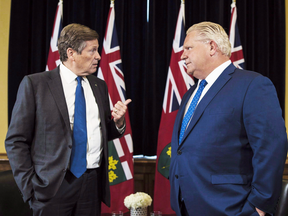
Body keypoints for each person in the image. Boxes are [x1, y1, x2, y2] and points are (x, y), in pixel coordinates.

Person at [5, 23, 131, 216]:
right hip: (51, 187)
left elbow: (100, 132)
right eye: (93, 50)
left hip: (91, 185)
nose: (98, 56)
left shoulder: (99, 86)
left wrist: (118, 123)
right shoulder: (35, 85)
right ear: (71, 53)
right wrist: (30, 188)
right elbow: (16, 141)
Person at [169, 21, 288, 216]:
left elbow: (271, 147)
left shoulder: (252, 85)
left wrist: (258, 206)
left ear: (212, 47)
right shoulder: (190, 95)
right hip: (186, 206)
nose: (182, 55)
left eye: (188, 48)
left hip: (232, 207)